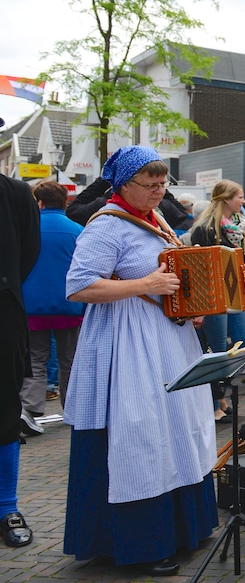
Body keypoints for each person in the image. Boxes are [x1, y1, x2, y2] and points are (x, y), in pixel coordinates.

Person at [63, 146, 245, 574]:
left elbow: (178, 277)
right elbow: (78, 286)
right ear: (122, 185)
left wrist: (221, 287)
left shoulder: (158, 219)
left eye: (161, 184)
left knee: (177, 428)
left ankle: (182, 528)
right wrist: (144, 283)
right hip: (127, 344)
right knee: (141, 431)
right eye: (148, 185)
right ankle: (139, 542)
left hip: (169, 341)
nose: (157, 192)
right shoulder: (106, 226)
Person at [190, 180, 245, 404]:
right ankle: (215, 402)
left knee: (244, 345)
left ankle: (221, 396)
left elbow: (237, 259)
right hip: (216, 297)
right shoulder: (205, 228)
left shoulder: (235, 225)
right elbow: (202, 266)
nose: (244, 201)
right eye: (240, 196)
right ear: (226, 199)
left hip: (236, 293)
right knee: (217, 350)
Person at [19, 180, 84, 434]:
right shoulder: (77, 230)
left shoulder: (27, 229)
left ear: (39, 202)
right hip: (69, 305)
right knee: (70, 360)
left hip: (32, 305)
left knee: (35, 359)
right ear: (65, 201)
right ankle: (73, 408)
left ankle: (30, 409)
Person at [0, 170, 38, 549]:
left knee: (4, 415)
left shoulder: (14, 192)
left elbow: (28, 251)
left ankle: (6, 507)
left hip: (2, 318)